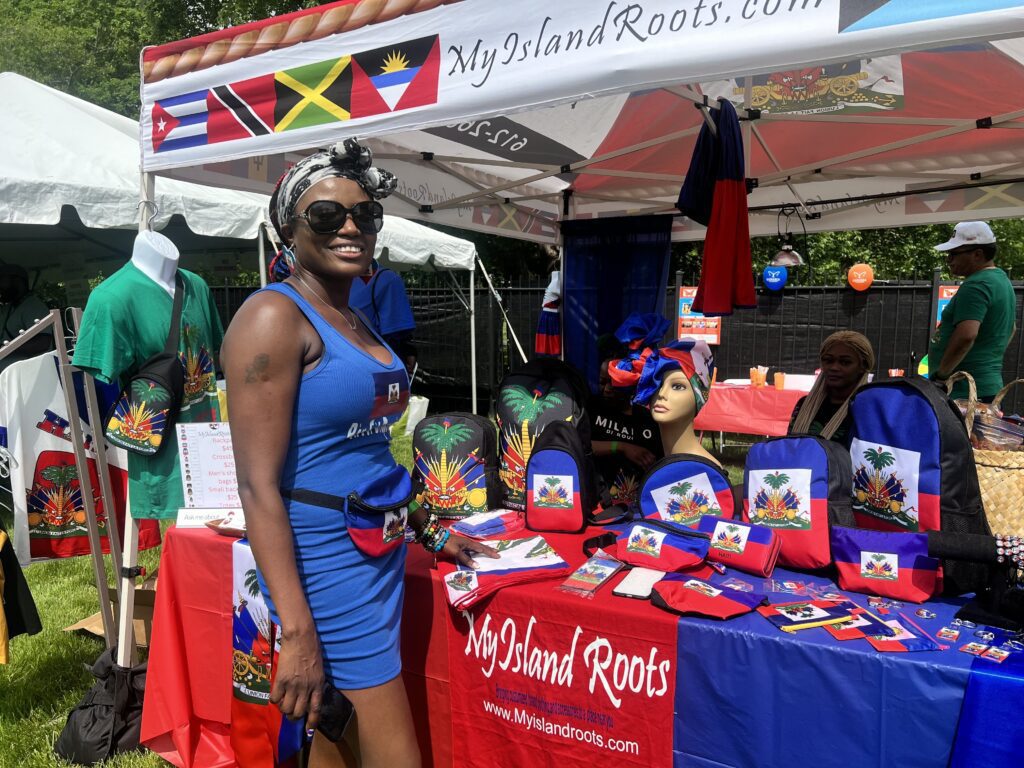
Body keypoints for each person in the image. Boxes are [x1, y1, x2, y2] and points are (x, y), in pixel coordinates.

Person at [222, 139, 497, 768]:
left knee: (335, 740)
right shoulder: (274, 317)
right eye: (326, 216)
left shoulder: (355, 316)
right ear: (287, 230)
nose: (351, 227)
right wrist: (296, 631)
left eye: (365, 215)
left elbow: (370, 453)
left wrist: (427, 528)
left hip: (378, 551)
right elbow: (256, 487)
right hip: (323, 568)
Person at [928, 221, 1016, 402]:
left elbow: (966, 335)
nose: (949, 260)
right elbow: (1011, 328)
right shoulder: (1001, 280)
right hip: (985, 386)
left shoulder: (976, 284)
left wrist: (942, 376)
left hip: (963, 390)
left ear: (978, 254)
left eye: (954, 254)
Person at [789, 331, 875, 444]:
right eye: (828, 360)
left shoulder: (869, 411)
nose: (834, 367)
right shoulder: (804, 405)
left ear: (863, 366)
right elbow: (789, 448)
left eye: (845, 362)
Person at [349, 259, 417, 376]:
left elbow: (397, 330)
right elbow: (396, 332)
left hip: (370, 364)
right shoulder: (387, 279)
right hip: (376, 366)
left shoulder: (385, 279)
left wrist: (408, 349)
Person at [0, 262, 52, 372]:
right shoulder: (8, 308)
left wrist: (5, 349)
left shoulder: (34, 306)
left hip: (29, 374)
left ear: (17, 281)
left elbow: (42, 343)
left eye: (2, 281)